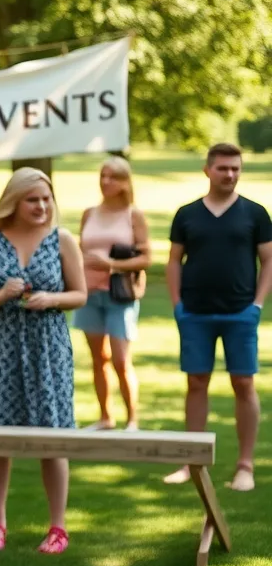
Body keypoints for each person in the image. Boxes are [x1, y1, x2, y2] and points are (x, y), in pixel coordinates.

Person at [0, 168, 87, 554]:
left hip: (47, 349)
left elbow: (80, 294)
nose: (41, 206)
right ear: (14, 202)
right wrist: (2, 294)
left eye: (46, 199)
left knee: (52, 435)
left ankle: (58, 527)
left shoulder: (62, 239)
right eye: (32, 199)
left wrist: (52, 299)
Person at [163, 143, 272, 492]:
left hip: (241, 313)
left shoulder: (255, 214)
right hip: (194, 313)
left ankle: (245, 466)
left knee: (243, 384)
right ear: (207, 170)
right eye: (223, 168)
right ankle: (191, 462)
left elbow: (269, 260)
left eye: (236, 168)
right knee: (196, 383)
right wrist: (178, 304)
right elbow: (173, 261)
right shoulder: (187, 214)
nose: (230, 174)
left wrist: (256, 305)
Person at [76, 157, 150, 431]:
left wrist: (113, 265)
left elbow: (145, 258)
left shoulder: (133, 215)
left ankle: (132, 419)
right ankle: (105, 416)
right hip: (89, 293)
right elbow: (79, 249)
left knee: (120, 359)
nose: (106, 181)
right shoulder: (89, 213)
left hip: (119, 295)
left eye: (114, 177)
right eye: (103, 175)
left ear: (125, 182)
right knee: (99, 358)